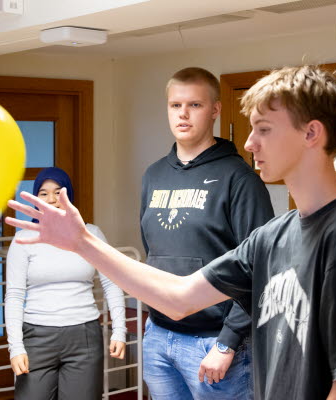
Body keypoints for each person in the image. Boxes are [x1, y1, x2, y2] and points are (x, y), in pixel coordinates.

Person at [5, 65, 336, 400]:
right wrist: (82, 242)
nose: (249, 142)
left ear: (311, 133)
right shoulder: (273, 237)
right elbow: (179, 298)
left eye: (264, 129)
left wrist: (225, 343)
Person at [139, 67, 273, 399]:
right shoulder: (153, 175)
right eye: (175, 105)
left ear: (215, 110)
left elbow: (261, 268)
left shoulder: (239, 179)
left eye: (194, 105)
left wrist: (228, 342)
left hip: (215, 344)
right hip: (158, 336)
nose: (182, 114)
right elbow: (153, 253)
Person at [4, 167, 127, 400]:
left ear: (68, 195)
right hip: (36, 337)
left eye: (58, 192)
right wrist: (16, 347)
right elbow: (14, 296)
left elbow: (112, 283)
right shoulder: (23, 239)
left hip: (84, 337)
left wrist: (119, 330)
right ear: (35, 198)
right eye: (43, 193)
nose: (51, 199)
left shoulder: (91, 234)